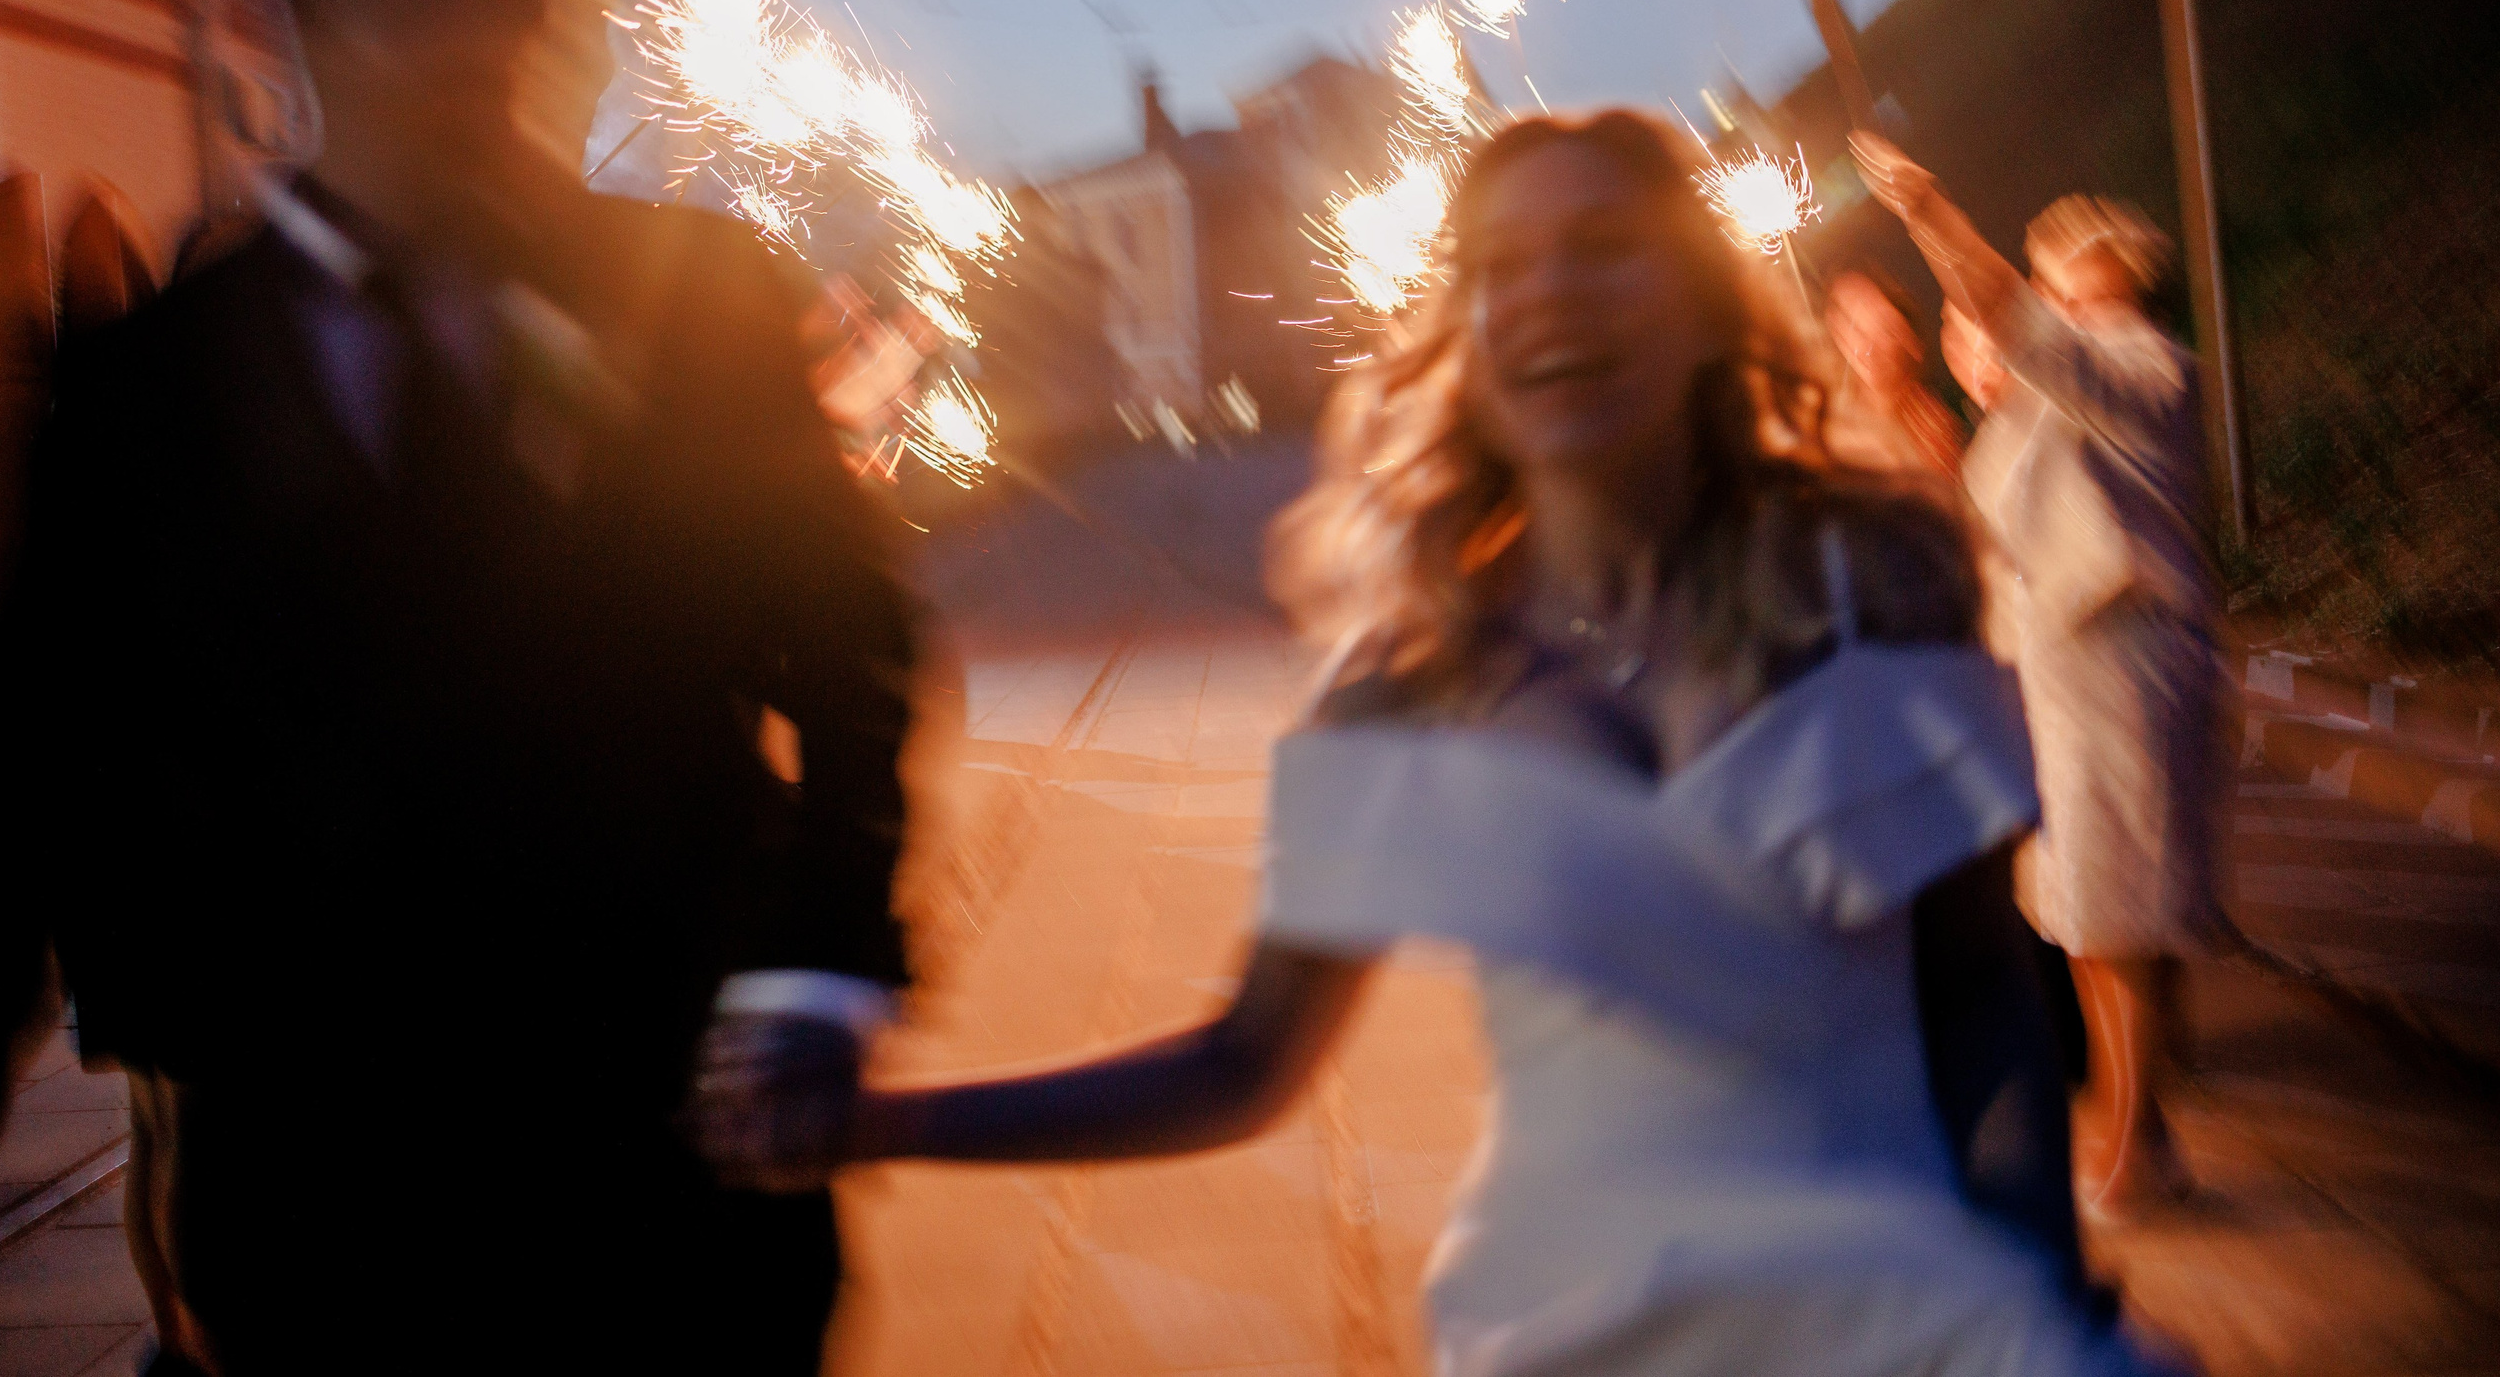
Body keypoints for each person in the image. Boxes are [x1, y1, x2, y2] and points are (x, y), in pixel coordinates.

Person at [700, 113, 2170, 1376]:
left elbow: (1981, 991)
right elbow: (1243, 1062)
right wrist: (884, 1120)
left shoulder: (1878, 574)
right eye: (1499, 269)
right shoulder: (1412, 679)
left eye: (1601, 246)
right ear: (1461, 334)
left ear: (1707, 297)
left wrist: (2028, 1274)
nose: (1546, 296)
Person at [0, 0, 915, 1373]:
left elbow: (854, 656)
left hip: (675, 1206)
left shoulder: (703, 299)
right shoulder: (149, 389)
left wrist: (819, 973)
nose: (514, 21)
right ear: (329, 7)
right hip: (331, 1226)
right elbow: (15, 811)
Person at [1853, 132, 2227, 1221]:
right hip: (2056, 678)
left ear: (2105, 277)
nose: (2053, 277)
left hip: (2123, 664)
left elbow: (1999, 308)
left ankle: (2131, 1152)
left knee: (2118, 910)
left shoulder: (2135, 365)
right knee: (2084, 911)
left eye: (2065, 262)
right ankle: (2136, 1134)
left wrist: (1925, 207)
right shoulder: (2055, 400)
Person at [1823, 267, 1963, 481]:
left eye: (1881, 327)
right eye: (1852, 325)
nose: (1865, 345)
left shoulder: (1929, 424)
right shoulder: (1830, 420)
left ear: (1907, 337)